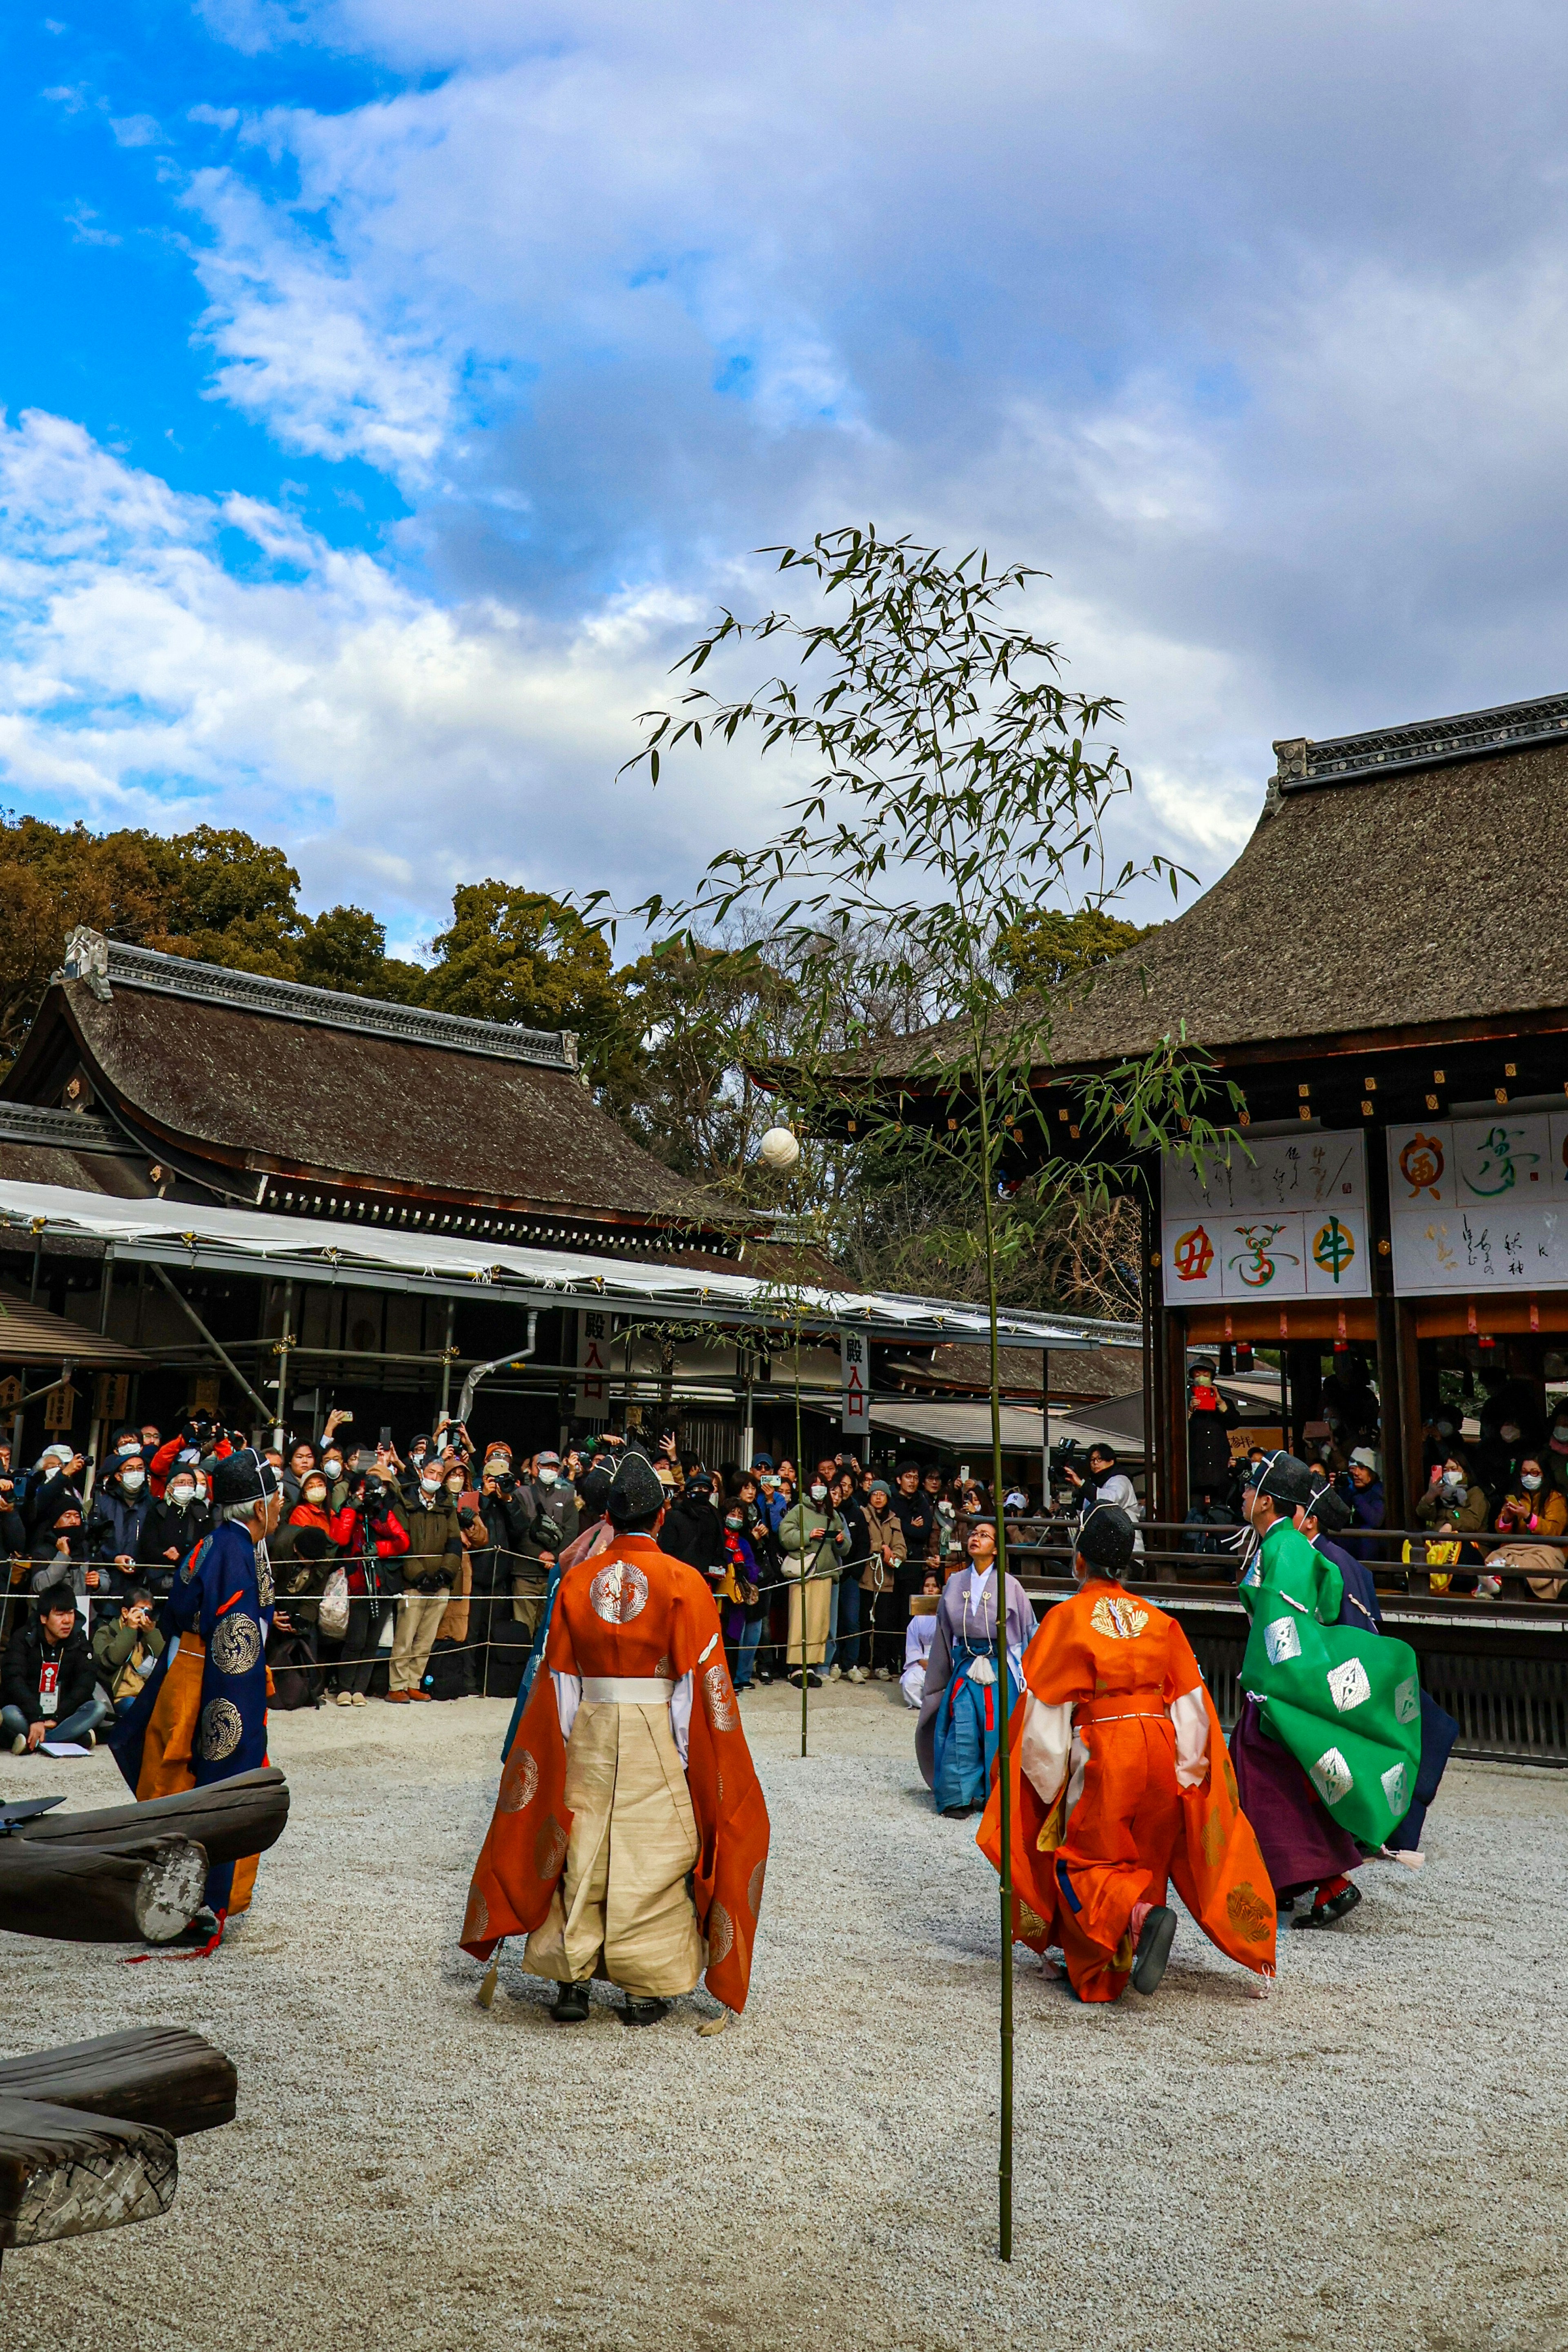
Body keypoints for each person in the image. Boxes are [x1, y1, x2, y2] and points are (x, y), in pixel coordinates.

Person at [460, 1449, 771, 2026]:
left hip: (591, 1721)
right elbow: (697, 1687)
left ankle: (570, 1979)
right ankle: (642, 1985)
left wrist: (565, 1741)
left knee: (580, 1845)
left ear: (608, 1515)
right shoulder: (684, 1582)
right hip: (655, 1723)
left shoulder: (577, 1579)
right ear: (660, 1517)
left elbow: (558, 1678)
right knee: (651, 1852)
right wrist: (687, 1755)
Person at [977, 1503, 1277, 2003]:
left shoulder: (1066, 1619)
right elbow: (1192, 1706)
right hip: (1161, 1742)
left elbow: (1044, 1716)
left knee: (1083, 1860)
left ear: (1079, 1562)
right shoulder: (1160, 1621)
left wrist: (1048, 1785)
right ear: (1125, 1568)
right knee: (1145, 1852)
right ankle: (1131, 1939)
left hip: (1104, 1745)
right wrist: (1189, 1773)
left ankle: (1137, 1922)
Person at [1232, 1454, 1421, 1928]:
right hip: (1281, 1683)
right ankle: (1296, 1880)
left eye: (1250, 1489)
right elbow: (1328, 1593)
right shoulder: (1291, 1546)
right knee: (1288, 1784)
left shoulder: (1284, 1549)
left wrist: (1273, 1685)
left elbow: (1282, 1627)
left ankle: (1323, 1880)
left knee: (1267, 1784)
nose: (1243, 1496)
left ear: (1267, 1501)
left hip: (1280, 1687)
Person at [107, 1447, 281, 1948]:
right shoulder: (234, 1551)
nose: (280, 1508)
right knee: (200, 1794)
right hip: (211, 1684)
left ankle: (171, 1904)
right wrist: (240, 1718)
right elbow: (237, 1639)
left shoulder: (217, 1542)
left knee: (171, 1789)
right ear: (257, 1506)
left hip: (189, 1673)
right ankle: (177, 1908)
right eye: (275, 1500)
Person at [916, 1519, 1037, 1818]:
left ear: (996, 1549)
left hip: (1000, 1667)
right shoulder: (956, 1582)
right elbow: (944, 1633)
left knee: (1000, 1730)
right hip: (967, 1666)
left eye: (985, 1535)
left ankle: (997, 1795)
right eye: (973, 1534)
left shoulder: (1011, 1585)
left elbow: (1028, 1631)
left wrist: (1031, 1677)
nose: (976, 1538)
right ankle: (959, 1795)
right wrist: (938, 1679)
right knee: (963, 1726)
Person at [2, 1582, 109, 1753]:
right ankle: (71, 1738)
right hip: (28, 1713)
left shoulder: (80, 1640)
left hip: (63, 1715)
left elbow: (85, 1683)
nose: (67, 1621)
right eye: (60, 1615)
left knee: (98, 1709)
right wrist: (36, 1718)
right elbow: (14, 1680)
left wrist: (60, 1716)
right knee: (9, 1713)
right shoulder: (23, 1638)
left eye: (71, 1613)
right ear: (44, 1618)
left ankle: (39, 1742)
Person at [388, 1458, 462, 1702]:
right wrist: (418, 1576)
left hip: (441, 1582)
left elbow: (454, 1543)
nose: (436, 1478)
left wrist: (445, 1574)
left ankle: (414, 1682)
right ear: (421, 1472)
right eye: (432, 1472)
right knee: (405, 1637)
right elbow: (402, 1544)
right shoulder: (404, 1502)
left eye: (441, 1474)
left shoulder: (447, 1505)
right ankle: (396, 1685)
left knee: (426, 1638)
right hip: (413, 1583)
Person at [777, 1472, 840, 1689]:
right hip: (804, 1572)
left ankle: (811, 1666)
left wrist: (840, 1540)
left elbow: (844, 1546)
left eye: (823, 1485)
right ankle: (796, 1667)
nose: (819, 1488)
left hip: (825, 1572)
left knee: (819, 1623)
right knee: (800, 1620)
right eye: (815, 1484)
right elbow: (785, 1535)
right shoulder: (799, 1510)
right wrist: (808, 1534)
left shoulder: (833, 1513)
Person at [1489, 1454, 1568, 1598]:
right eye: (1525, 1473)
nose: (1529, 1477)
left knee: (1527, 1564)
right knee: (1496, 1557)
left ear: (1544, 1475)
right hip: (1517, 1546)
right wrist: (1507, 1518)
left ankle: (1497, 1585)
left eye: (1534, 1473)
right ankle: (1493, 1583)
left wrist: (1528, 1517)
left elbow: (1554, 1531)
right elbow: (1500, 1531)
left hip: (1547, 1548)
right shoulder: (1517, 1496)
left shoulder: (1555, 1498)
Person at [136, 1462, 212, 1597]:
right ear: (170, 1488)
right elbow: (147, 1547)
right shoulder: (158, 1511)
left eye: (190, 1483)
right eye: (181, 1482)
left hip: (193, 1581)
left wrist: (179, 1558)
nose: (187, 1487)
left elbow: (207, 1548)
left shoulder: (201, 1512)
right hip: (160, 1581)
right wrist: (166, 1555)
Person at [91, 1584, 165, 1718]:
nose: (144, 1616)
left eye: (148, 1612)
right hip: (120, 1698)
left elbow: (164, 1661)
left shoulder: (148, 1634)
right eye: (140, 1611)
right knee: (137, 1709)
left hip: (146, 1694)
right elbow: (112, 1660)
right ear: (125, 1612)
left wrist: (151, 1633)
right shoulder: (106, 1632)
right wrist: (130, 1630)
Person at [1064, 1443, 1144, 1553]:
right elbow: (1082, 1511)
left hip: (1126, 1550)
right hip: (1101, 1550)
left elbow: (1107, 1502)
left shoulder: (1121, 1480)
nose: (1095, 1463)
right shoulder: (1094, 1484)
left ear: (1111, 1461)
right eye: (1092, 1460)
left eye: (1100, 1459)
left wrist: (1082, 1484)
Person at [900, 1571, 941, 1708]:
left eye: (934, 1586)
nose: (930, 1589)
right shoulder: (917, 1619)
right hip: (923, 1660)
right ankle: (924, 1705)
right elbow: (913, 1646)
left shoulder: (947, 1616)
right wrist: (922, 1662)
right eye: (927, 1586)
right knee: (909, 1683)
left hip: (943, 1661)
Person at [1339, 1449, 1385, 1563]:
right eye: (1355, 1469)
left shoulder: (1378, 1492)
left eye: (1362, 1469)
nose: (1356, 1473)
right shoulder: (1352, 1490)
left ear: (1372, 1473)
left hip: (1373, 1556)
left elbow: (1376, 1521)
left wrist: (1355, 1496)